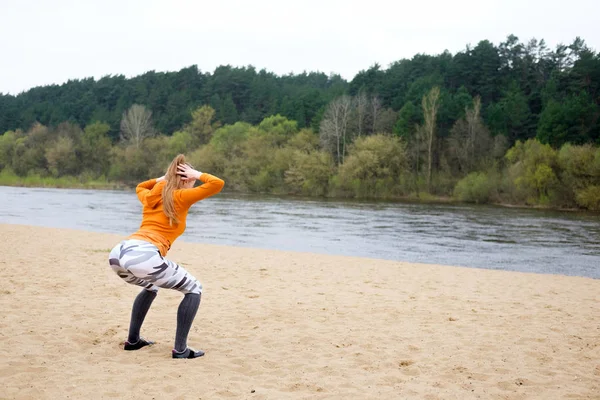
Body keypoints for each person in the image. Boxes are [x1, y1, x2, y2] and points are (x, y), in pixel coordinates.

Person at [108, 154, 224, 359]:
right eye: (191, 178)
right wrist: (196, 174)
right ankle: (181, 350)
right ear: (186, 178)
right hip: (143, 254)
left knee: (150, 287)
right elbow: (217, 183)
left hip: (119, 253)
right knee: (194, 288)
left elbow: (140, 187)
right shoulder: (180, 196)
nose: (194, 181)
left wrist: (161, 179)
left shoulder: (151, 196)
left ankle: (133, 341)